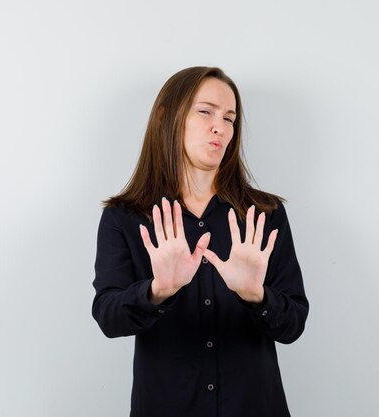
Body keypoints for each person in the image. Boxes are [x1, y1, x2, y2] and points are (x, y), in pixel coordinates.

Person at [92, 66, 309, 417]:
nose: (219, 128)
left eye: (230, 118)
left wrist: (257, 296)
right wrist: (157, 290)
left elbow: (294, 324)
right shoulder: (125, 217)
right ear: (167, 117)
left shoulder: (263, 215)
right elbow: (108, 318)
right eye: (205, 111)